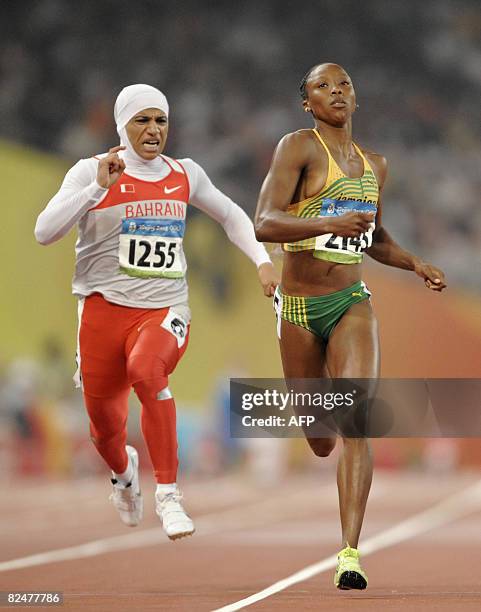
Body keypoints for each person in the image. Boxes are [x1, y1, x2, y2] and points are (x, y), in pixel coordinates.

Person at [35, 84, 278, 541]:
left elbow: (231, 215)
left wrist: (262, 261)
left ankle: (169, 494)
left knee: (148, 372)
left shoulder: (185, 174)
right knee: (105, 433)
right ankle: (124, 474)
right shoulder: (92, 171)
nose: (153, 129)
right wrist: (94, 189)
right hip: (103, 313)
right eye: (142, 120)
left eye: (160, 120)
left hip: (163, 308)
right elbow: (44, 231)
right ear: (121, 125)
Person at [254, 63, 446, 589]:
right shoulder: (298, 147)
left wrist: (414, 263)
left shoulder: (374, 165)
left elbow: (376, 237)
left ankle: (349, 556)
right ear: (307, 103)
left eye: (344, 85)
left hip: (350, 303)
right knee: (320, 440)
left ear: (355, 98)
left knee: (357, 419)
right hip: (296, 310)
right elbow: (264, 222)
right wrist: (326, 222)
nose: (336, 92)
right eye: (323, 86)